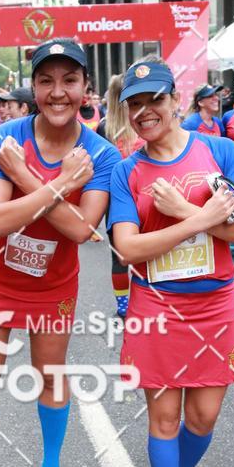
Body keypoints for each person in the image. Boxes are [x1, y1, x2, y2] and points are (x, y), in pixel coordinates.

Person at [108, 58, 234, 467]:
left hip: (216, 304)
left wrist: (182, 215)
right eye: (135, 103)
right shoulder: (126, 171)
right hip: (157, 307)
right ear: (127, 112)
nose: (146, 111)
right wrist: (198, 218)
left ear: (176, 99)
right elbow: (128, 248)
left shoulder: (221, 151)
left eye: (154, 99)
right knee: (165, 420)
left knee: (203, 419)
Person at [0, 38, 120, 467]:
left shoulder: (101, 155)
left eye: (69, 80)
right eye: (46, 80)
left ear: (86, 87)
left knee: (50, 375)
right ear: (33, 86)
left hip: (52, 285)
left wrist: (31, 180)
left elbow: (81, 228)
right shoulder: (3, 139)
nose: (57, 92)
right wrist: (62, 184)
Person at [97, 73, 144, 318]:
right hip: (139, 195)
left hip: (114, 200)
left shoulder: (105, 126)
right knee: (141, 251)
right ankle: (137, 301)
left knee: (119, 256)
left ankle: (124, 304)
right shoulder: (140, 121)